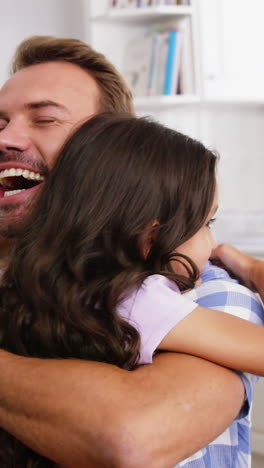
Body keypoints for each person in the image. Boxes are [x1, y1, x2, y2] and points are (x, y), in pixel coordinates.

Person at [0, 35, 261, 468]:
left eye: (44, 119)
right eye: (0, 122)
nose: (7, 137)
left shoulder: (204, 292)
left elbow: (130, 438)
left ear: (110, 151)